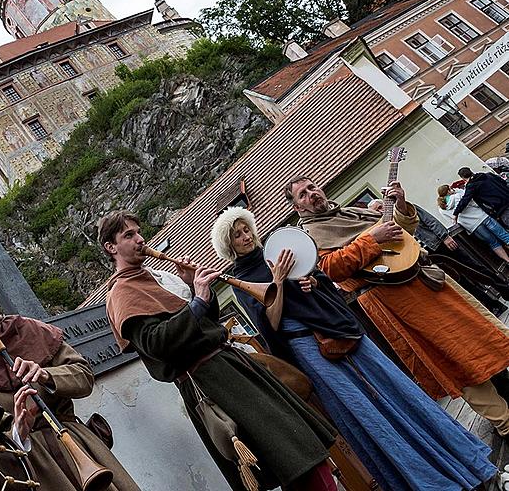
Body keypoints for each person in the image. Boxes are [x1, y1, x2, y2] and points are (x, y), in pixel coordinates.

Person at [213, 207, 497, 491]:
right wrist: (278, 282)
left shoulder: (278, 251)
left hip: (339, 329)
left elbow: (322, 280)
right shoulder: (241, 279)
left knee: (398, 388)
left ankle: (466, 460)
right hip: (307, 348)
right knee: (363, 413)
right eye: (237, 235)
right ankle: (424, 482)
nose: (246, 236)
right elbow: (270, 323)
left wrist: (312, 281)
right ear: (230, 246)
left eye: (246, 229)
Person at [101, 210, 338, 491]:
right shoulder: (121, 293)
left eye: (139, 232)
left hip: (230, 365)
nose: (140, 239)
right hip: (210, 380)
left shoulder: (154, 277)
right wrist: (197, 302)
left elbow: (206, 322)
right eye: (129, 235)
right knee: (293, 459)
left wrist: (193, 287)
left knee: (300, 451)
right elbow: (156, 344)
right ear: (111, 247)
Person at [289, 176, 509, 438]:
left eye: (312, 187)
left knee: (479, 330)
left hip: (424, 279)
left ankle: (505, 385)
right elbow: (331, 268)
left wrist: (402, 206)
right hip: (393, 299)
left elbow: (403, 235)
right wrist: (371, 239)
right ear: (297, 207)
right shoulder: (310, 237)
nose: (311, 194)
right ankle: (504, 421)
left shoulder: (351, 211)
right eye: (302, 194)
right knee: (451, 355)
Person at [0, 260, 140, 491]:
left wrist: (46, 375)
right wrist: (16, 431)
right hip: (26, 468)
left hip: (76, 443)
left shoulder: (28, 328)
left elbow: (83, 377)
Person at [370, 197, 508, 315]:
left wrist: (444, 236)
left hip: (439, 244)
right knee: (459, 280)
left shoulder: (404, 210)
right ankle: (491, 305)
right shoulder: (385, 225)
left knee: (473, 267)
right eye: (376, 211)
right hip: (426, 255)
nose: (380, 211)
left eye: (380, 207)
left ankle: (504, 288)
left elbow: (429, 220)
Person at [438, 184, 509, 268]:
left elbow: (453, 221)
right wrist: (457, 190)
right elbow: (473, 202)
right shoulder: (458, 196)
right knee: (504, 236)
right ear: (449, 191)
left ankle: (507, 260)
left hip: (473, 226)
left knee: (493, 243)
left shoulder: (441, 209)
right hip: (482, 216)